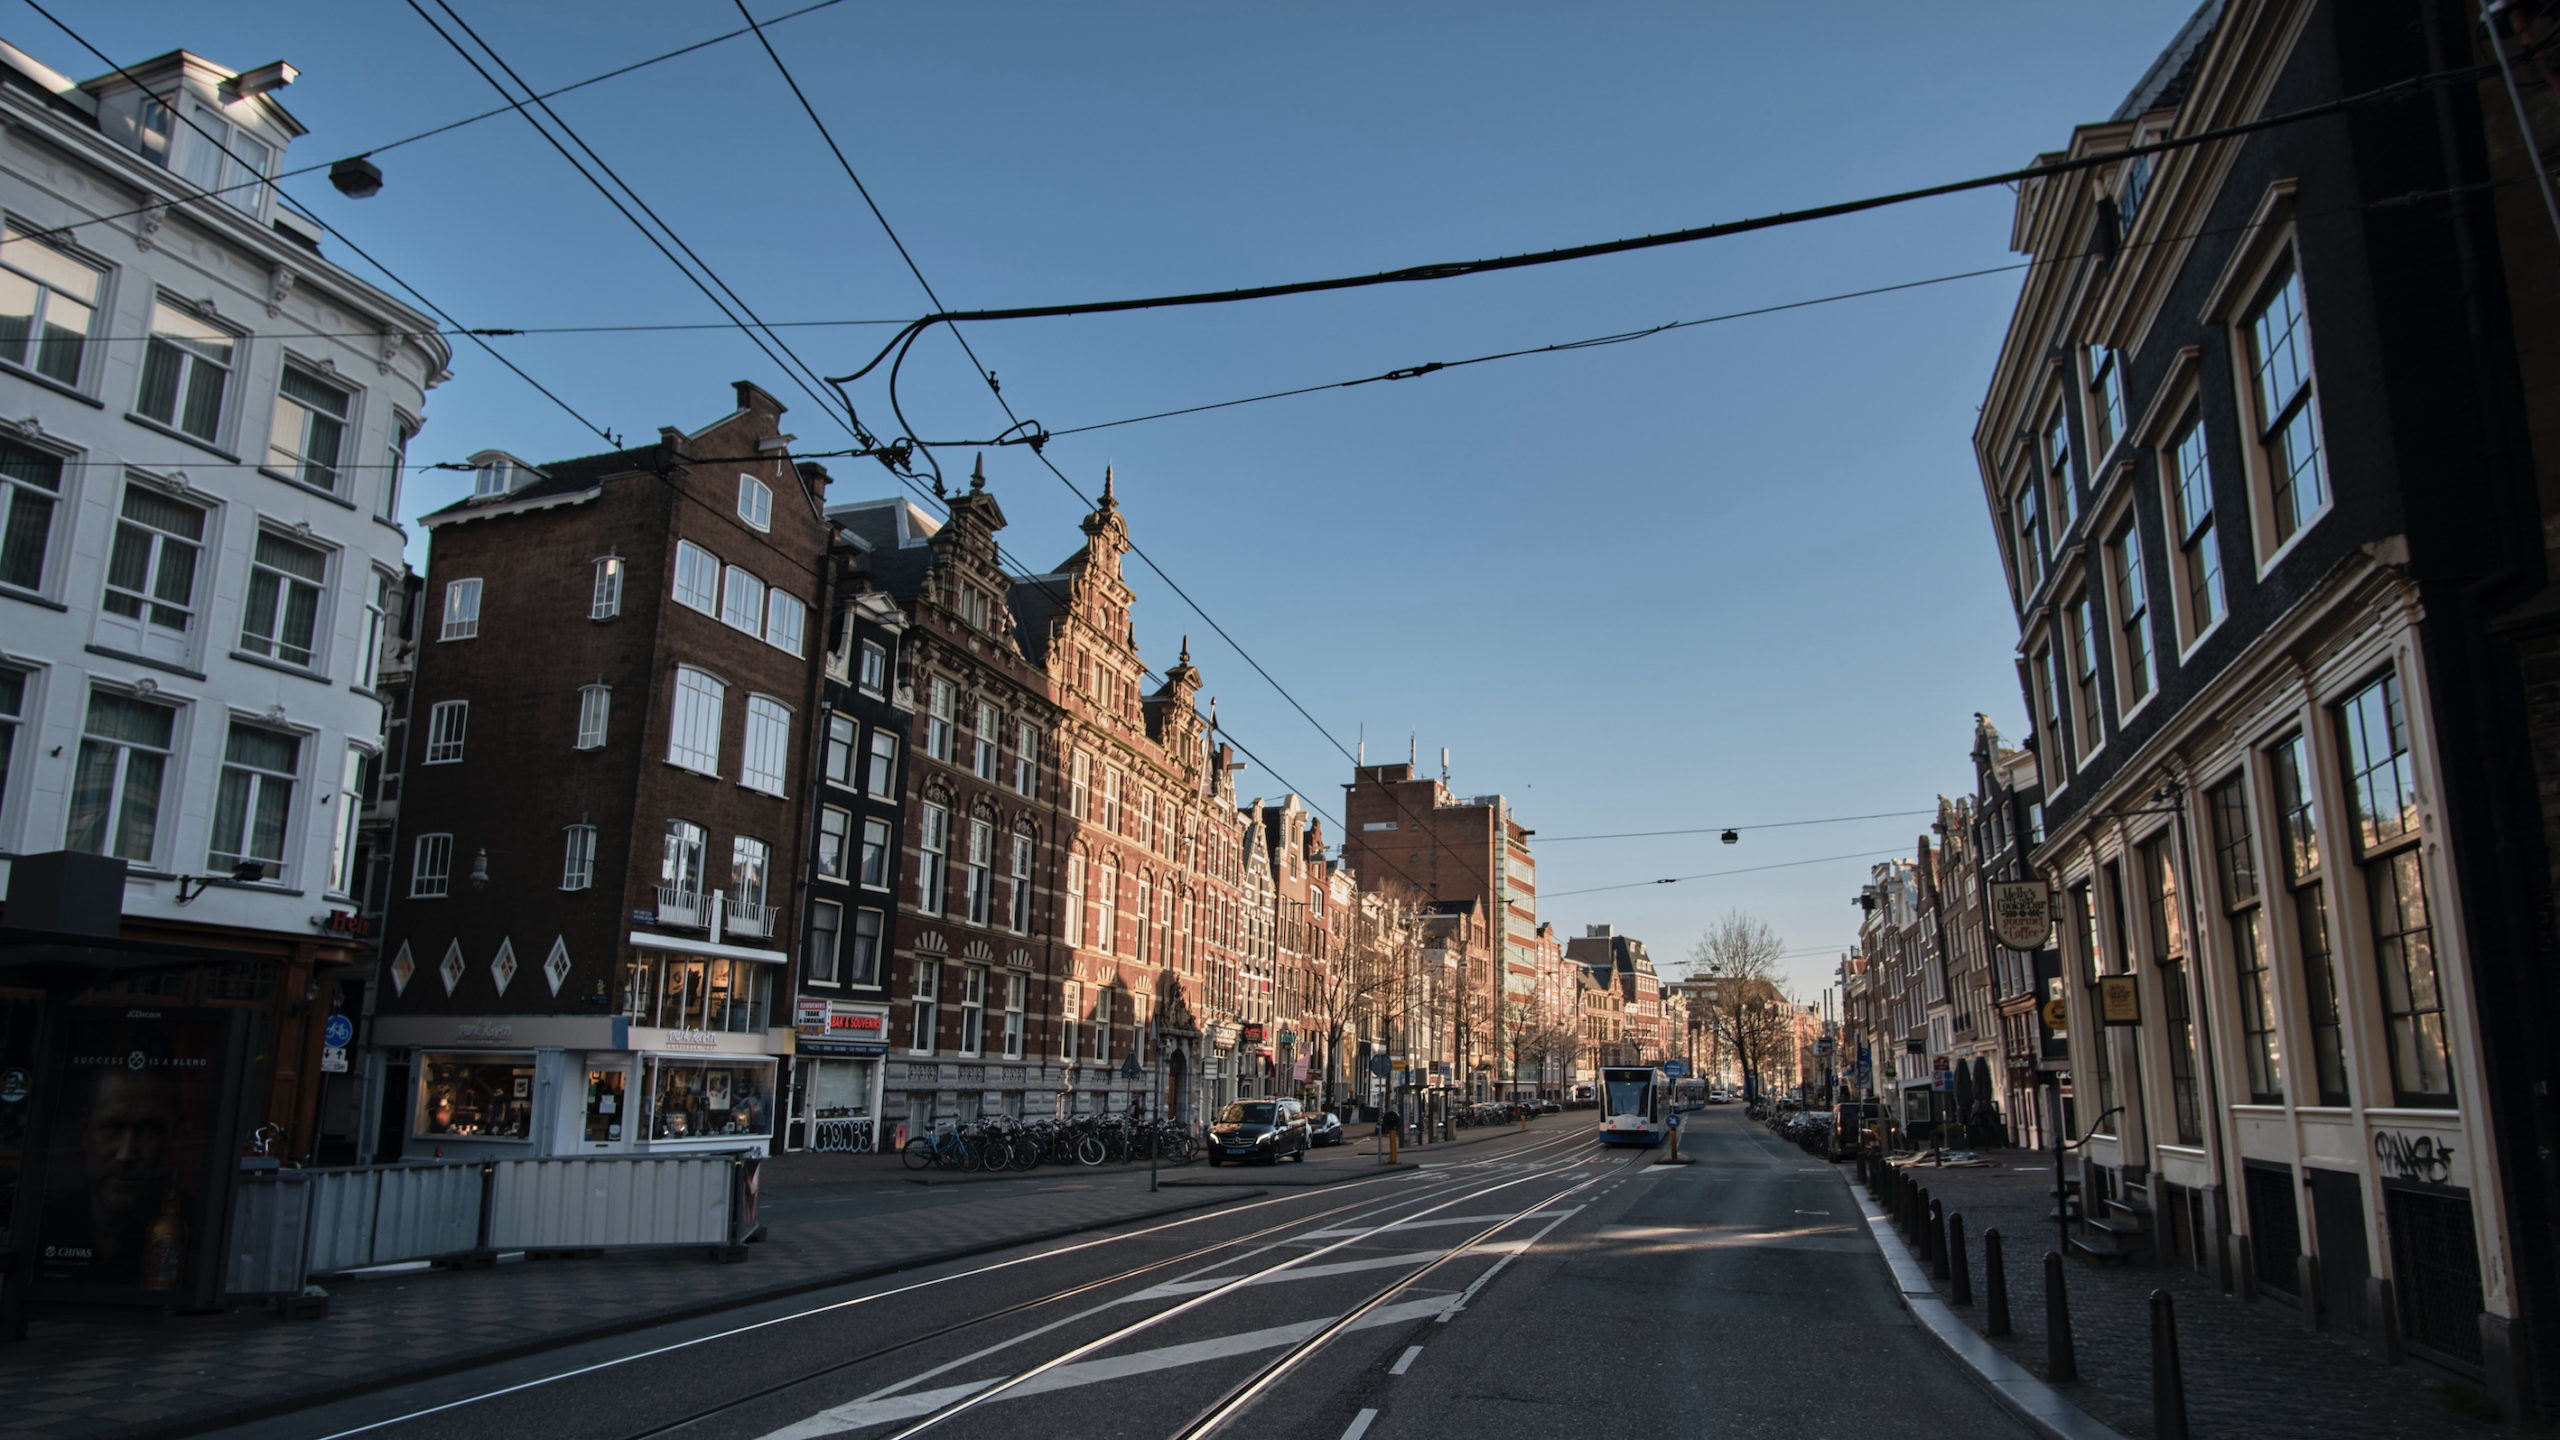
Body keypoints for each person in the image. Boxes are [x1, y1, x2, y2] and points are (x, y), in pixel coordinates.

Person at [39, 1064, 191, 1290]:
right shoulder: (45, 1226)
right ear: (85, 1130)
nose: (125, 1154)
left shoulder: (196, 1228)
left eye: (148, 1129)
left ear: (175, 1134)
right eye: (111, 1127)